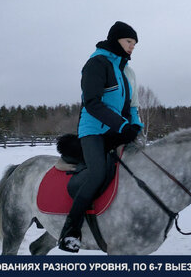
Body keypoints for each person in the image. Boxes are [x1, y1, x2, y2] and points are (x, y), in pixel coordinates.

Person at [58, 21, 144, 253]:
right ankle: (70, 231)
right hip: (93, 130)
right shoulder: (96, 64)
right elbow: (93, 103)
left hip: (115, 130)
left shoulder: (123, 70)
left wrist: (135, 125)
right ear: (116, 40)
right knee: (97, 173)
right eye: (129, 42)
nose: (132, 47)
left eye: (135, 44)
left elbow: (131, 106)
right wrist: (121, 124)